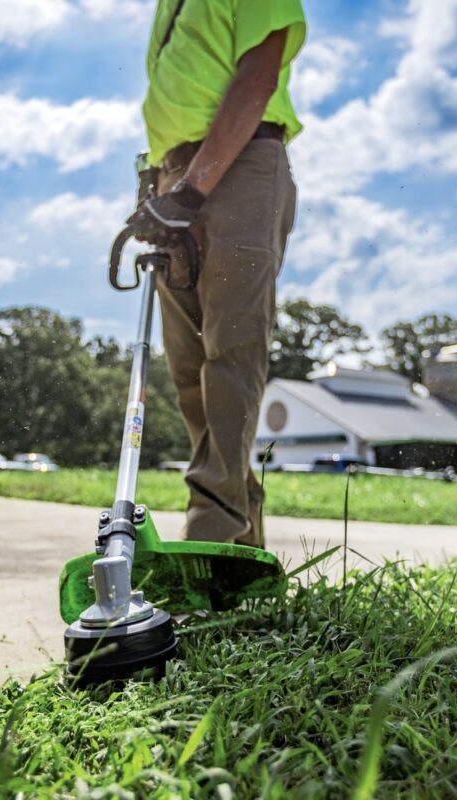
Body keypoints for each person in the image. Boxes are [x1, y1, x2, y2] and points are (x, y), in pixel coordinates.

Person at [126, 0, 306, 547]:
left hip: (239, 162)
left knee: (231, 353)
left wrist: (192, 188)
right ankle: (242, 552)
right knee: (190, 373)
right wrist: (156, 187)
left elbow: (258, 74)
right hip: (174, 177)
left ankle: (209, 538)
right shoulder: (166, 9)